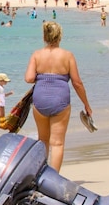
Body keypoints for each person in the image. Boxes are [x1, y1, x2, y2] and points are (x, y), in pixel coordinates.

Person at [25, 21, 93, 173]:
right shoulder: (68, 56)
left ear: (44, 36)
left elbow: (29, 78)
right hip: (60, 100)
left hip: (40, 100)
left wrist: (42, 77)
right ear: (60, 36)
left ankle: (40, 175)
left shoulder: (36, 55)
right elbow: (77, 83)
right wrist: (86, 105)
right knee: (57, 143)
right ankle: (53, 177)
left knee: (43, 140)